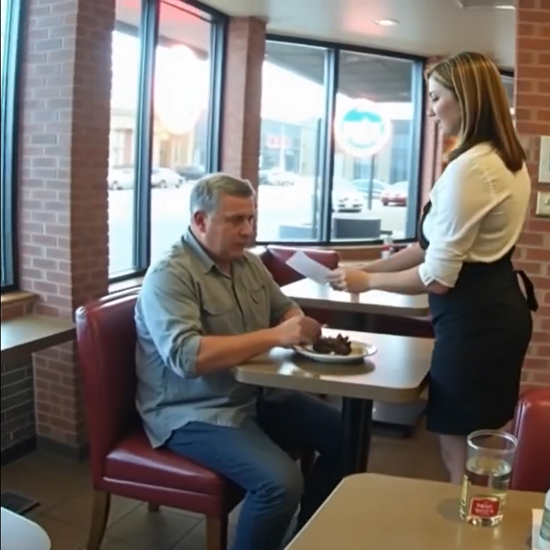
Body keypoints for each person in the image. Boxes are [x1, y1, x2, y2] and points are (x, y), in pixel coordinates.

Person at [327, 51, 538, 484]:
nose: (431, 109)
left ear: (467, 99)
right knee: (476, 448)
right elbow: (428, 247)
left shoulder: (472, 169)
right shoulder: (503, 159)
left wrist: (369, 280)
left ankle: (473, 521)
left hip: (476, 324)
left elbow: (438, 278)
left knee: (461, 454)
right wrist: (369, 266)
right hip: (494, 314)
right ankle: (478, 517)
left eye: (436, 97)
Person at [135, 173, 343, 550]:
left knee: (346, 434)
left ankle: (306, 538)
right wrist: (276, 336)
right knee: (280, 484)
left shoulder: (248, 264)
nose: (247, 230)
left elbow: (285, 308)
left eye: (250, 218)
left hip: (253, 394)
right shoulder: (169, 274)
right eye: (235, 220)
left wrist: (293, 323)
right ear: (200, 220)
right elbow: (186, 357)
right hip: (192, 410)